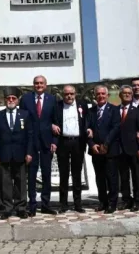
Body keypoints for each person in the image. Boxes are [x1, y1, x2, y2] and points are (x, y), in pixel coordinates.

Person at [0, 87, 33, 219]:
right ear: (5, 100)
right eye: (8, 98)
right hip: (4, 155)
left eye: (13, 98)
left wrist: (29, 153)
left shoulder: (25, 114)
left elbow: (29, 136)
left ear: (17, 100)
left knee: (21, 182)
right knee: (5, 183)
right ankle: (7, 208)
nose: (10, 100)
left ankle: (21, 208)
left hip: (21, 155)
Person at [18, 75, 57, 216]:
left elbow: (56, 121)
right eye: (36, 83)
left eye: (41, 83)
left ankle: (46, 204)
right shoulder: (26, 99)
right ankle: (32, 204)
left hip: (47, 142)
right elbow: (21, 119)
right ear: (33, 85)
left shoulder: (52, 99)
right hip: (31, 142)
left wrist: (54, 141)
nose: (39, 85)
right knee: (32, 175)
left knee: (47, 174)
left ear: (45, 85)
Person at [51, 85, 88, 213]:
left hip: (78, 142)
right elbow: (51, 120)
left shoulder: (82, 104)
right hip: (63, 143)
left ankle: (78, 204)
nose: (69, 96)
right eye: (66, 94)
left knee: (77, 174)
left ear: (75, 93)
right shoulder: (57, 105)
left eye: (71, 94)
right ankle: (63, 204)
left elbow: (87, 121)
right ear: (63, 94)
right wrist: (52, 125)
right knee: (64, 174)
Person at [87, 85, 120, 213]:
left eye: (103, 94)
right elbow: (87, 129)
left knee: (111, 177)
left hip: (110, 149)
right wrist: (91, 144)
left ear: (107, 95)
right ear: (95, 96)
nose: (100, 96)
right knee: (99, 177)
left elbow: (116, 128)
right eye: (98, 94)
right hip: (96, 150)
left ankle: (112, 203)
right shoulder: (91, 111)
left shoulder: (114, 109)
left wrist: (105, 144)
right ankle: (103, 202)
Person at [116, 85, 139, 211]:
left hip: (134, 149)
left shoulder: (137, 111)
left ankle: (137, 200)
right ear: (120, 95)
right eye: (124, 93)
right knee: (123, 177)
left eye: (129, 93)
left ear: (132, 95)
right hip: (119, 150)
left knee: (137, 176)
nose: (127, 95)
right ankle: (126, 199)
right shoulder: (114, 110)